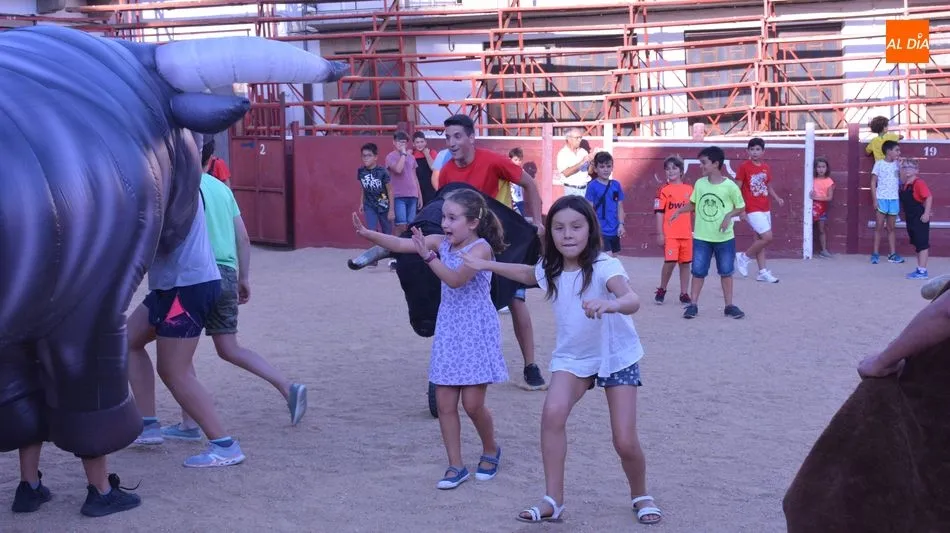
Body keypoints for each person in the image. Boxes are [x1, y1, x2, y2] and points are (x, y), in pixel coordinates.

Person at [461, 195, 662, 526]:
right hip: (573, 357)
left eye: (576, 227)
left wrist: (611, 304)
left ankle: (640, 495)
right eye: (559, 228)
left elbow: (632, 299)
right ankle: (553, 500)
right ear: (550, 232)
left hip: (615, 356)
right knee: (552, 415)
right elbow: (528, 273)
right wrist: (486, 265)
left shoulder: (604, 265)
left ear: (590, 229)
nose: (568, 234)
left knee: (624, 441)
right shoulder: (551, 268)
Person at [352, 188, 507, 490]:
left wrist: (428, 256)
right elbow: (400, 244)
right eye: (444, 217)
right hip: (449, 331)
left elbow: (455, 279)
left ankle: (491, 449)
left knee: (473, 405)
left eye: (452, 218)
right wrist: (368, 233)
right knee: (445, 404)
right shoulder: (441, 243)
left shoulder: (480, 250)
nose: (445, 224)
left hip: (476, 333)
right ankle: (455, 465)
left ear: (473, 222)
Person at [159, 141, 308, 442]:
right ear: (211, 158)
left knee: (178, 351)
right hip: (226, 274)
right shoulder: (223, 190)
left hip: (196, 274)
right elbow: (243, 237)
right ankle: (286, 386)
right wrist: (244, 277)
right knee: (229, 348)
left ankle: (191, 424)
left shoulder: (181, 187)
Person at [126, 167, 246, 468]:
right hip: (169, 285)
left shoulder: (176, 189)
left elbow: (155, 239)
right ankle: (148, 425)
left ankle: (225, 446)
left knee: (173, 370)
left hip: (188, 286)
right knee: (128, 340)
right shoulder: (162, 186)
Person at [438, 114, 546, 390]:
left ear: (471, 137)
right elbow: (444, 211)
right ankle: (456, 363)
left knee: (516, 300)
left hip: (502, 243)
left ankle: (530, 365)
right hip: (468, 245)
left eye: (457, 136)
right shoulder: (447, 172)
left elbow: (529, 184)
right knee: (458, 301)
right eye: (447, 137)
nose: (451, 143)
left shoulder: (494, 161)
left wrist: (538, 222)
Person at [671, 146, 746, 320]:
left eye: (704, 163)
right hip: (702, 237)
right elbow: (694, 204)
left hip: (724, 238)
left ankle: (729, 306)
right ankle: (693, 305)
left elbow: (741, 207)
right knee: (698, 272)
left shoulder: (730, 186)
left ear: (715, 164)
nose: (701, 166)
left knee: (726, 272)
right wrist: (680, 211)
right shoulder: (700, 184)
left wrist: (728, 215)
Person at [734, 137, 784, 283]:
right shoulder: (744, 167)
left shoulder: (766, 167)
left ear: (763, 151)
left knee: (760, 240)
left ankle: (762, 272)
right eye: (752, 149)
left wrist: (776, 198)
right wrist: (741, 209)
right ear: (747, 151)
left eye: (758, 149)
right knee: (767, 237)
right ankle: (743, 257)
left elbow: (767, 186)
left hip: (765, 207)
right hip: (751, 207)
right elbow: (737, 189)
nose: (755, 152)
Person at [654, 155, 693, 305]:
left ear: (681, 171)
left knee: (685, 263)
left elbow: (694, 210)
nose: (670, 171)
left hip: (686, 234)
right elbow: (659, 212)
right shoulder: (663, 190)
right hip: (670, 234)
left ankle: (684, 293)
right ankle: (662, 288)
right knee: (670, 262)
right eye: (668, 169)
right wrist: (660, 233)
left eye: (674, 168)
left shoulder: (690, 189)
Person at [870, 140, 905, 265]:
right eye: (897, 150)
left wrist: (901, 167)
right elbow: (873, 182)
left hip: (894, 199)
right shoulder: (879, 164)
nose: (899, 153)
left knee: (891, 228)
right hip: (881, 199)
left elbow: (903, 181)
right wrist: (875, 200)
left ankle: (892, 254)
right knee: (879, 227)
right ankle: (875, 253)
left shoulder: (897, 165)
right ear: (889, 151)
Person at [584, 151, 625, 256]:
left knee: (614, 257)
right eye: (602, 167)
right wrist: (593, 228)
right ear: (596, 169)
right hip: (600, 229)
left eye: (608, 166)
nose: (606, 169)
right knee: (608, 256)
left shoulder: (616, 185)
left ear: (612, 168)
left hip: (614, 228)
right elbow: (589, 209)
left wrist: (621, 224)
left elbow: (620, 206)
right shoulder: (592, 186)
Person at [898, 158, 933, 280]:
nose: (907, 169)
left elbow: (928, 197)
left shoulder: (919, 183)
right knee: (917, 244)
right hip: (911, 217)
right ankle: (919, 268)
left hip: (919, 217)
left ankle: (923, 271)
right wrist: (900, 166)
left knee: (922, 244)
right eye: (905, 167)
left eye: (910, 167)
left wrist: (926, 214)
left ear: (916, 170)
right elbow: (900, 175)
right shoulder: (905, 184)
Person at [356, 142, 394, 245]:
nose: (366, 158)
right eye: (363, 156)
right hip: (369, 205)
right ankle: (374, 253)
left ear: (375, 157)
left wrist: (391, 210)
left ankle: (388, 252)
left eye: (369, 155)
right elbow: (363, 188)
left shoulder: (383, 172)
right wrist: (361, 203)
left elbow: (390, 191)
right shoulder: (361, 171)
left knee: (387, 232)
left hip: (383, 205)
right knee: (371, 231)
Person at [555, 128, 593, 196]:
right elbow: (566, 173)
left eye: (580, 137)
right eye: (577, 138)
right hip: (571, 190)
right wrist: (582, 162)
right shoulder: (563, 153)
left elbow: (590, 172)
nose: (580, 140)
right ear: (569, 139)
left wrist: (592, 162)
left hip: (586, 188)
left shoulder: (583, 152)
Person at [810, 156, 835, 258]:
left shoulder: (829, 181)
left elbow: (829, 197)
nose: (821, 169)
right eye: (819, 167)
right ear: (815, 168)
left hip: (822, 207)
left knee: (821, 229)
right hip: (810, 207)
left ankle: (823, 250)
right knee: (808, 228)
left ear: (827, 168)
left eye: (823, 167)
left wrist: (815, 198)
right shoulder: (811, 179)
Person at [412, 132, 438, 206]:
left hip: (430, 187)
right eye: (417, 142)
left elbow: (433, 168)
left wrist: (426, 154)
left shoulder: (432, 152)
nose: (420, 144)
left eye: (422, 142)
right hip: (418, 188)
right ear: (413, 144)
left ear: (425, 142)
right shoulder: (412, 154)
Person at [508, 148, 526, 216]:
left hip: (520, 199)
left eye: (520, 160)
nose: (518, 162)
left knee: (521, 217)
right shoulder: (507, 171)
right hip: (511, 200)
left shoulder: (522, 171)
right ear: (510, 159)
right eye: (515, 160)